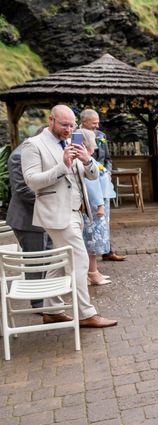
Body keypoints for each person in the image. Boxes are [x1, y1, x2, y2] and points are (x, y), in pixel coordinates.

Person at [21, 104, 117, 328]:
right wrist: (62, 165)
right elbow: (32, 180)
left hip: (78, 212)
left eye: (72, 125)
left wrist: (86, 159)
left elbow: (92, 176)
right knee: (80, 259)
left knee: (59, 261)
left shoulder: (71, 142)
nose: (68, 129)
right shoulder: (33, 145)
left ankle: (52, 310)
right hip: (56, 212)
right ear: (51, 120)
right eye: (64, 125)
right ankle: (86, 313)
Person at [6, 135, 54, 310]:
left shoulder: (34, 151)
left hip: (42, 216)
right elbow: (22, 190)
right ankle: (38, 303)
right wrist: (52, 200)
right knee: (35, 260)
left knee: (48, 257)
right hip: (27, 219)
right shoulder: (19, 156)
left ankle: (47, 298)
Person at [79, 109, 126, 262]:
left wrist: (108, 171)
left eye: (98, 122)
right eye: (94, 123)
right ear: (84, 121)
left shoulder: (101, 136)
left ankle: (107, 251)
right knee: (91, 222)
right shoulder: (76, 136)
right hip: (87, 181)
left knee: (104, 219)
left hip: (102, 178)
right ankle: (89, 258)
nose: (97, 125)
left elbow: (108, 158)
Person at [76, 128, 116, 286]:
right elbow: (92, 186)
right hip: (94, 208)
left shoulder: (91, 161)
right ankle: (91, 273)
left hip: (99, 206)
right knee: (91, 242)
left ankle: (94, 271)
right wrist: (99, 205)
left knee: (93, 242)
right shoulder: (85, 162)